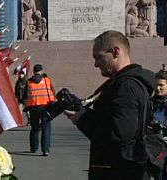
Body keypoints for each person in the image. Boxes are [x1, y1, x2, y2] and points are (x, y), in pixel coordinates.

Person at [65, 30, 155, 180]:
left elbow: (118, 135)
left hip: (118, 171)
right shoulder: (129, 83)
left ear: (115, 52)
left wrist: (83, 119)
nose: (95, 64)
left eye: (98, 57)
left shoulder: (125, 87)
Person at [25, 64, 56, 156]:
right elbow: (52, 90)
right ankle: (45, 150)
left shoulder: (29, 82)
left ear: (34, 72)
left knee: (34, 128)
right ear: (41, 71)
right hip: (46, 106)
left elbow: (26, 94)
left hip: (33, 106)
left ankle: (33, 148)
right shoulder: (47, 80)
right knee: (46, 128)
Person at [146, 69, 167, 180]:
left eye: (161, 85)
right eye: (156, 85)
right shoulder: (149, 103)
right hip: (151, 150)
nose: (158, 88)